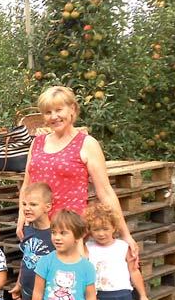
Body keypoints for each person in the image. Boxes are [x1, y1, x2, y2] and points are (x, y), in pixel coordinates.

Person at [17, 85, 139, 264]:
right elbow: (27, 185)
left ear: (72, 109)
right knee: (36, 284)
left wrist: (125, 234)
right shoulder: (37, 143)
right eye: (48, 112)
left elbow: (105, 192)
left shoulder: (87, 144)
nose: (54, 116)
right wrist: (22, 216)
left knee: (67, 287)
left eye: (59, 110)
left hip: (70, 232)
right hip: (38, 229)